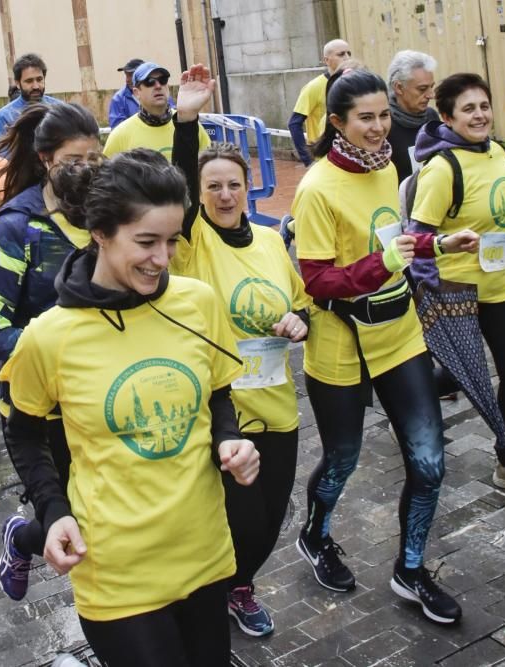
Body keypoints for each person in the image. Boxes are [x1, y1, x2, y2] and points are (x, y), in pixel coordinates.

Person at [0, 147, 259, 666]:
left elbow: (216, 393)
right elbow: (24, 433)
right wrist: (52, 514)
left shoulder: (196, 302)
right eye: (145, 242)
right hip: (115, 568)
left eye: (170, 241)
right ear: (101, 233)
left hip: (204, 549)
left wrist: (228, 439)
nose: (161, 260)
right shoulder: (49, 337)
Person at [291, 68, 478, 622]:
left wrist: (435, 242)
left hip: (399, 336)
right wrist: (389, 262)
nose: (379, 128)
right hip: (339, 345)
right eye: (365, 118)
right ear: (337, 123)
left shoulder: (390, 164)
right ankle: (316, 534)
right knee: (343, 459)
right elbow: (318, 281)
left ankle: (411, 569)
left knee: (429, 463)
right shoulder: (317, 188)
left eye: (382, 116)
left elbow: (389, 238)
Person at [168, 64, 309, 637]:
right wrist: (186, 117)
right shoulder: (194, 243)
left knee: (273, 517)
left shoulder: (274, 241)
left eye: (233, 184)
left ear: (246, 185)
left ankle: (238, 584)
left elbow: (301, 306)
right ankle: (217, 590)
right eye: (213, 187)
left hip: (277, 403)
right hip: (224, 412)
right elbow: (176, 187)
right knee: (240, 518)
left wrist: (297, 323)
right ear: (199, 197)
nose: (224, 194)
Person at [408, 73, 505, 498]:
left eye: (484, 106)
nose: (479, 115)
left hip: (496, 289)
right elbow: (417, 237)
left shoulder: (498, 152)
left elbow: (504, 221)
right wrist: (429, 300)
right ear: (447, 117)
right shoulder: (442, 169)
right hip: (455, 295)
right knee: (460, 376)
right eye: (468, 109)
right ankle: (408, 398)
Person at [0, 102, 101, 601]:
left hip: (99, 397)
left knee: (100, 516)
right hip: (37, 409)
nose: (89, 170)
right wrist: (64, 348)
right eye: (77, 160)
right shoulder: (18, 225)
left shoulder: (108, 212)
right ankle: (24, 538)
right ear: (47, 159)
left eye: (98, 158)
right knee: (77, 520)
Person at [104, 62, 209, 158]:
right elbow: (104, 175)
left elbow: (208, 163)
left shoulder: (187, 124)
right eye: (149, 82)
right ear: (136, 93)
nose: (158, 86)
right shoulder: (120, 135)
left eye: (163, 80)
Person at [288, 39, 352, 166]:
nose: (347, 58)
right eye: (341, 54)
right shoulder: (314, 87)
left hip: (348, 155)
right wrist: (308, 160)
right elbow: (294, 123)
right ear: (326, 60)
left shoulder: (353, 82)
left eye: (349, 53)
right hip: (324, 158)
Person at [387, 50, 439, 183]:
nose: (431, 95)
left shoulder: (432, 117)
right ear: (399, 87)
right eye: (422, 89)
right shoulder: (384, 125)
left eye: (431, 87)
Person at [0, 54, 62, 137]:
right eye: (29, 81)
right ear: (18, 83)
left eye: (39, 79)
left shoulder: (59, 108)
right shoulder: (5, 115)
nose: (36, 86)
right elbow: (3, 148)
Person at [108, 58, 144, 129]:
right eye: (126, 75)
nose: (127, 80)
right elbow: (117, 130)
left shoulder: (158, 92)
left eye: (131, 75)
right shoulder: (118, 99)